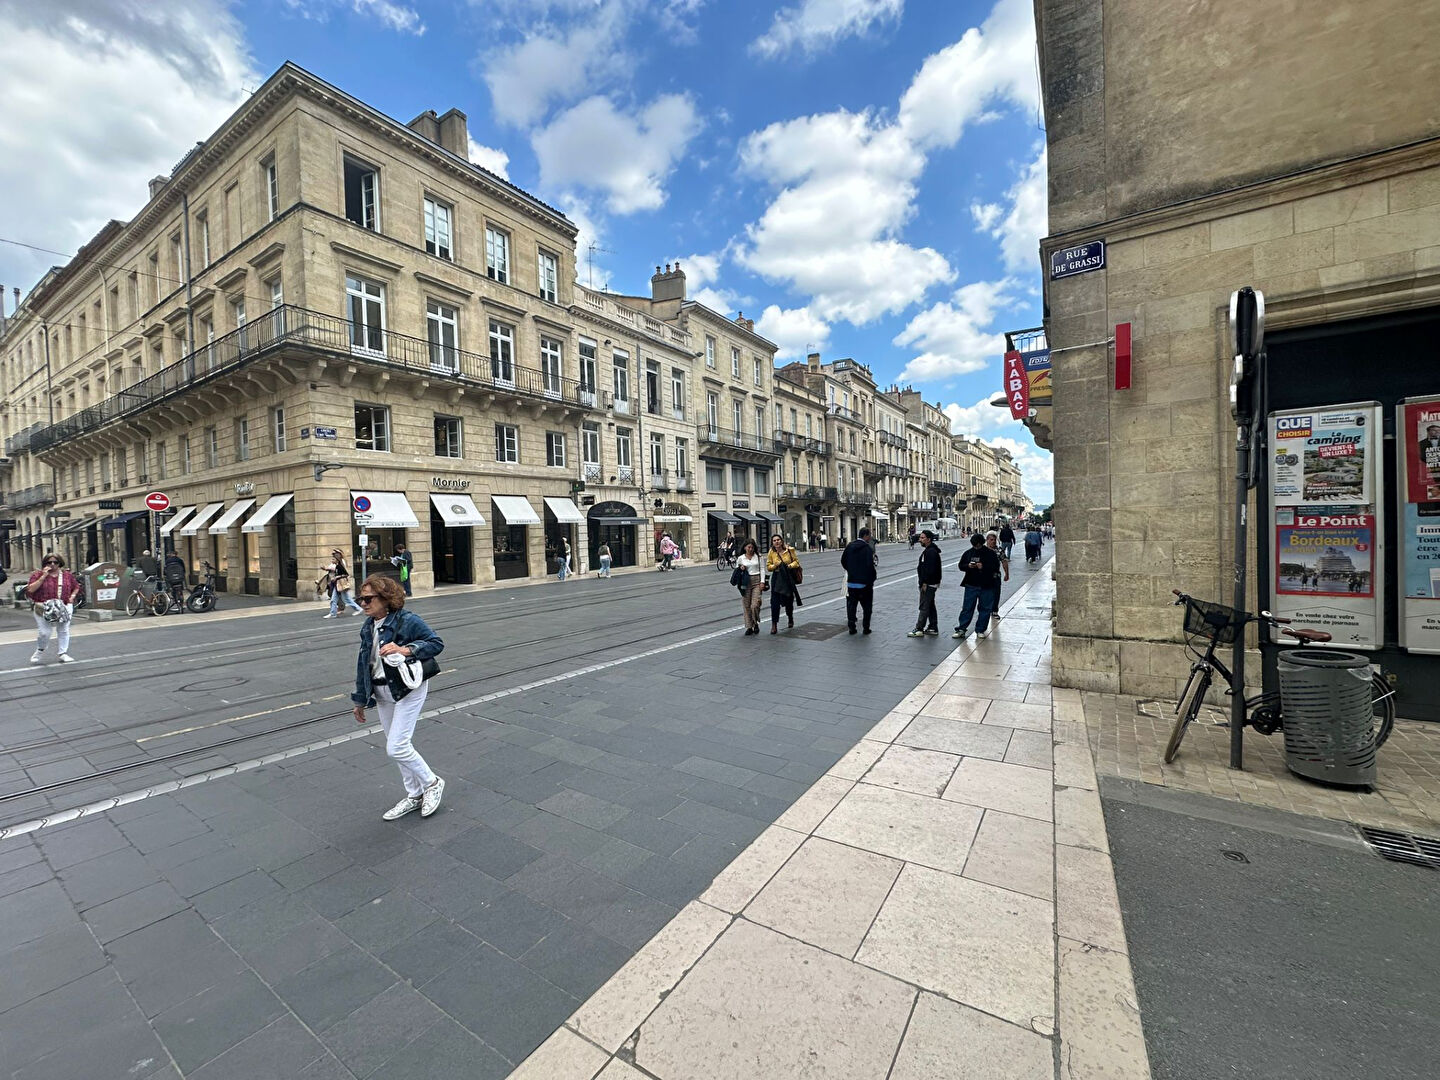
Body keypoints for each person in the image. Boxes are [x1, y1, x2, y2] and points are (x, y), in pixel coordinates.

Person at [351, 574, 445, 820]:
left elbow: (436, 643)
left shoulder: (406, 620)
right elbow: (365, 663)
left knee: (397, 747)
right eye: (361, 599)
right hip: (382, 691)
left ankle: (432, 783)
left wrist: (405, 649)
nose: (363, 604)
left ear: (386, 598)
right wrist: (360, 699)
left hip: (407, 688)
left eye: (368, 599)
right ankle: (414, 794)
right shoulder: (368, 626)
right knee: (398, 745)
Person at [25, 552, 83, 664]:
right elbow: (30, 590)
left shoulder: (67, 575)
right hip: (43, 607)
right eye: (49, 562)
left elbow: (76, 586)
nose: (52, 564)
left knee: (63, 630)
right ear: (45, 563)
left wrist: (72, 597)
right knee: (44, 632)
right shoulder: (37, 575)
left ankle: (63, 653)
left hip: (64, 605)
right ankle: (40, 650)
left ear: (59, 563)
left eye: (55, 562)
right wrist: (43, 576)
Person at [953, 533, 1002, 640]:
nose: (976, 547)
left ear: (982, 543)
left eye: (978, 545)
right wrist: (968, 566)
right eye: (975, 546)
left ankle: (980, 629)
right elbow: (961, 566)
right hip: (971, 584)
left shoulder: (990, 554)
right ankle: (961, 628)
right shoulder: (968, 553)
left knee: (985, 608)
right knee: (967, 608)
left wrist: (983, 567)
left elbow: (995, 567)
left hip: (987, 585)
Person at [841, 526, 877, 635]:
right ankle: (866, 628)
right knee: (867, 607)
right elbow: (870, 566)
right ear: (865, 536)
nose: (870, 537)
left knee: (852, 606)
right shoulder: (867, 549)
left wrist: (851, 571)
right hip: (864, 584)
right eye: (869, 535)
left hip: (851, 583)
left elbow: (843, 560)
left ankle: (852, 627)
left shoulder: (850, 546)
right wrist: (871, 579)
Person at [765, 533, 803, 634]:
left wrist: (790, 566)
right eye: (774, 541)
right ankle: (774, 625)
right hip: (777, 578)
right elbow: (768, 566)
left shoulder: (790, 550)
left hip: (787, 578)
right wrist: (775, 566)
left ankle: (790, 617)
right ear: (772, 543)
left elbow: (796, 562)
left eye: (778, 540)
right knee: (774, 603)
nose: (776, 542)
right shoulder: (771, 552)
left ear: (781, 541)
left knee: (789, 600)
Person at [907, 530, 942, 637]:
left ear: (928, 539)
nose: (920, 540)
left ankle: (919, 628)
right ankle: (932, 627)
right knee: (930, 605)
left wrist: (925, 582)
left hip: (928, 583)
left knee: (924, 606)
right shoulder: (930, 550)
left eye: (922, 538)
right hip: (931, 583)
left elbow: (929, 569)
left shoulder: (930, 552)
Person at [736, 538, 765, 635]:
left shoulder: (759, 557)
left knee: (755, 605)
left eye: (752, 547)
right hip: (745, 583)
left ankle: (755, 622)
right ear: (745, 548)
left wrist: (762, 582)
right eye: (749, 547)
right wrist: (741, 568)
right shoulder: (741, 558)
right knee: (746, 605)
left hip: (756, 581)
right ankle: (749, 627)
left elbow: (762, 569)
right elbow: (737, 571)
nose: (750, 549)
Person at [323, 549, 362, 617]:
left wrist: (336, 577)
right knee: (333, 600)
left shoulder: (340, 566)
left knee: (346, 599)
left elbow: (346, 574)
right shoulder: (336, 566)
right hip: (337, 585)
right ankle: (333, 613)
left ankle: (358, 608)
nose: (332, 561)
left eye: (333, 559)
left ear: (337, 559)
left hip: (341, 585)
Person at [985, 530, 1009, 622]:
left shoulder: (999, 550)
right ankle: (985, 610)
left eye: (994, 540)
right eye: (991, 540)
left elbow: (1004, 562)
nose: (993, 542)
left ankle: (994, 611)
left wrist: (1007, 574)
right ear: (987, 540)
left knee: (996, 594)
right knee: (985, 594)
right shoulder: (983, 550)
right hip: (984, 576)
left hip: (995, 576)